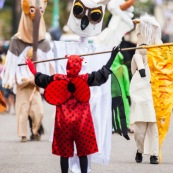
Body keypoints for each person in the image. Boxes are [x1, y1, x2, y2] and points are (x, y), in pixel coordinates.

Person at [26, 46, 120, 173]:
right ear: (79, 67)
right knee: (83, 153)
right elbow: (103, 73)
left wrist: (32, 68)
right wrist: (113, 56)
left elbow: (41, 79)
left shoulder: (58, 78)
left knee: (64, 154)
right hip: (82, 122)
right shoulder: (85, 79)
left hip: (63, 122)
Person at [1, 0, 55, 142]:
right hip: (22, 83)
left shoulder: (44, 42)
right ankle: (23, 134)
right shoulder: (16, 41)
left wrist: (46, 79)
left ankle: (36, 131)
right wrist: (14, 79)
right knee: (22, 111)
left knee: (38, 112)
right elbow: (11, 64)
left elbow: (51, 65)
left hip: (36, 84)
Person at [130, 14, 162, 164]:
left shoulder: (159, 46)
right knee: (140, 127)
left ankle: (154, 154)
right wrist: (141, 66)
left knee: (154, 125)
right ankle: (139, 150)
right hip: (141, 89)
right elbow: (135, 64)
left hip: (155, 88)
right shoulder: (139, 50)